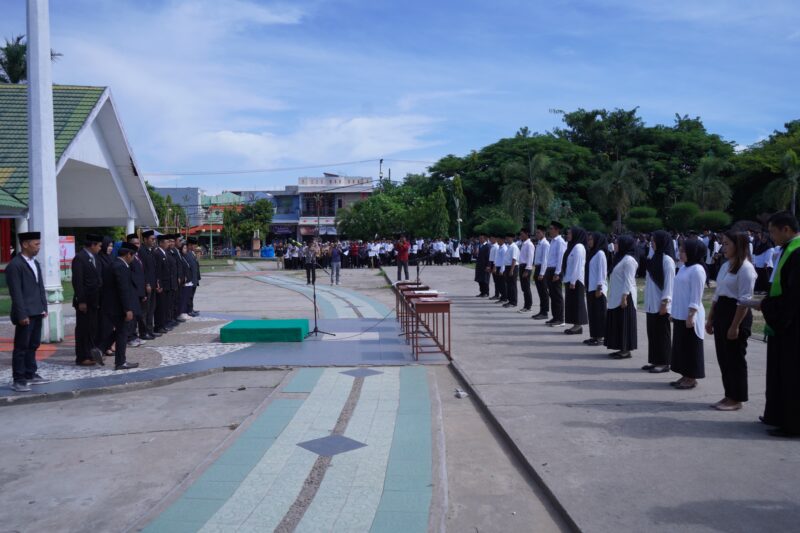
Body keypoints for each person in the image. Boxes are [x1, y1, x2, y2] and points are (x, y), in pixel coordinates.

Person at [757, 212, 800, 437]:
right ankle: (776, 413)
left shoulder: (797, 251)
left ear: (786, 229)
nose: (771, 236)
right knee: (778, 371)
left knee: (791, 374)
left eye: (773, 231)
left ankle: (792, 423)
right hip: (782, 320)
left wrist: (768, 306)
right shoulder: (787, 250)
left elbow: (794, 294)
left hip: (791, 324)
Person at [706, 231, 757, 411]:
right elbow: (718, 293)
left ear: (738, 245)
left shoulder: (746, 268)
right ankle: (728, 395)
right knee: (724, 358)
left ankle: (737, 398)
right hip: (722, 311)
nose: (723, 247)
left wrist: (734, 326)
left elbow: (744, 300)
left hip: (736, 314)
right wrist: (710, 317)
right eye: (723, 243)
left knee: (735, 358)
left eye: (727, 243)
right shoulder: (726, 266)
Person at [6, 232, 50, 392]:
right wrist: (22, 314)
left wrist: (44, 307)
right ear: (25, 244)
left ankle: (30, 373)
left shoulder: (35, 263)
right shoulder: (15, 265)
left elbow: (40, 287)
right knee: (21, 347)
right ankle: (18, 378)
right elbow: (16, 293)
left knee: (33, 344)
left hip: (37, 310)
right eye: (36, 244)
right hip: (25, 313)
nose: (39, 247)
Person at [670, 238, 708, 389]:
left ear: (693, 252)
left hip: (690, 315)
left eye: (683, 250)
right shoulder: (684, 267)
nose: (680, 253)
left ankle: (692, 377)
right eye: (680, 250)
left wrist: (691, 315)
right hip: (680, 313)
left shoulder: (698, 270)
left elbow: (696, 296)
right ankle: (684, 374)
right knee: (682, 346)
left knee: (691, 346)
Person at [102, 243, 140, 370]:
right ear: (128, 254)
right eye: (133, 256)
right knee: (122, 333)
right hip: (118, 308)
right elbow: (123, 290)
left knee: (119, 331)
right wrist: (127, 309)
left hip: (112, 306)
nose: (133, 259)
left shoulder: (114, 264)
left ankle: (99, 347)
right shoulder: (121, 267)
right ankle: (120, 362)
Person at [643, 230, 676, 374]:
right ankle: (655, 360)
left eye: (654, 240)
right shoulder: (654, 257)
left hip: (661, 304)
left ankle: (664, 362)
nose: (652, 243)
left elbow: (669, 284)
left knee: (662, 334)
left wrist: (665, 303)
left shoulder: (667, 260)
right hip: (651, 302)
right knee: (653, 333)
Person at [71, 233, 104, 366]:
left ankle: (91, 354)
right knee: (83, 329)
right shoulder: (80, 258)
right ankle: (82, 356)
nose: (100, 248)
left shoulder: (95, 257)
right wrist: (82, 300)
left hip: (95, 300)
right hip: (85, 301)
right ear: (92, 245)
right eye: (99, 246)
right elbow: (78, 281)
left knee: (92, 328)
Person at [605, 235, 638, 359]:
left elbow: (628, 280)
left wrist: (624, 296)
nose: (615, 245)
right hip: (617, 295)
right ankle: (620, 347)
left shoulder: (629, 260)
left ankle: (625, 350)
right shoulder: (620, 258)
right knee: (617, 322)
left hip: (625, 296)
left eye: (617, 243)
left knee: (624, 323)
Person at [585, 232, 609, 346]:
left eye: (591, 240)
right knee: (593, 314)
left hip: (598, 289)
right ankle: (594, 335)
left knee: (599, 314)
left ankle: (601, 337)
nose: (589, 242)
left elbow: (602, 273)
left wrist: (599, 288)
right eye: (588, 240)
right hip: (591, 288)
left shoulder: (600, 254)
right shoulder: (592, 253)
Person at [562, 227, 588, 335]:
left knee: (577, 304)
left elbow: (578, 266)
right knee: (572, 304)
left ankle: (578, 326)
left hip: (576, 281)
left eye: (570, 233)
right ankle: (575, 325)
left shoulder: (579, 247)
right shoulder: (572, 246)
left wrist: (573, 281)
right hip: (570, 279)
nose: (567, 235)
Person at [125, 234, 148, 348]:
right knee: (132, 317)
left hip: (139, 291)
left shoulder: (137, 256)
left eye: (138, 243)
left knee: (137, 316)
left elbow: (141, 275)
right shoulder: (129, 258)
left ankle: (134, 335)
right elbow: (133, 277)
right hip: (133, 292)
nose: (137, 245)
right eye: (134, 244)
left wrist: (143, 292)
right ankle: (130, 337)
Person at [544, 221, 567, 327]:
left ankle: (560, 319)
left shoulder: (560, 241)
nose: (550, 230)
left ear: (557, 230)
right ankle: (555, 317)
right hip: (550, 269)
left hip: (556, 270)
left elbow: (560, 259)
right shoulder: (553, 241)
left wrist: (557, 273)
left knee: (557, 295)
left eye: (551, 228)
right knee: (552, 295)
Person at [139, 230, 158, 337]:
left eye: (154, 239)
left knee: (151, 308)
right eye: (152, 239)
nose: (153, 241)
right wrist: (147, 284)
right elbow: (143, 270)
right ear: (145, 239)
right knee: (145, 310)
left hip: (153, 284)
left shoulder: (151, 251)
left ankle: (150, 330)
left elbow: (153, 269)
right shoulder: (141, 251)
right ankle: (143, 332)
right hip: (147, 286)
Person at [532, 225, 551, 320]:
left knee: (544, 292)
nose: (537, 234)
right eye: (536, 232)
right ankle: (541, 310)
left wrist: (542, 273)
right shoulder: (539, 243)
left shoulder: (545, 244)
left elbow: (545, 260)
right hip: (537, 268)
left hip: (542, 269)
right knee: (540, 291)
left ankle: (545, 312)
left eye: (538, 232)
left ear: (543, 233)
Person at [517, 228, 535, 312]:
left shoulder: (529, 244)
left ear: (527, 234)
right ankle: (526, 305)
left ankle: (528, 306)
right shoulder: (524, 243)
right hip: (522, 266)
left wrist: (527, 270)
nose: (520, 236)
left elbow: (530, 258)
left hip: (526, 267)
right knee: (524, 288)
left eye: (522, 234)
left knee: (526, 287)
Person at [185, 237, 201, 316]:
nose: (195, 248)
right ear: (190, 245)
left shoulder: (192, 253)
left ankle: (191, 309)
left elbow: (196, 266)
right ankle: (188, 310)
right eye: (194, 246)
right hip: (190, 279)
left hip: (194, 278)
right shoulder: (187, 254)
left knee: (192, 295)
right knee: (189, 296)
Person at [503, 233, 519, 308]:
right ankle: (510, 301)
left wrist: (512, 270)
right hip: (507, 267)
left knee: (512, 285)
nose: (507, 239)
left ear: (512, 238)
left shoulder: (514, 247)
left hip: (512, 267)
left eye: (508, 238)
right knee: (509, 285)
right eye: (507, 238)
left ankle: (514, 302)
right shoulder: (509, 246)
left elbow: (514, 259)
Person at [488, 235, 501, 300]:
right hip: (492, 263)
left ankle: (497, 294)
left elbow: (496, 258)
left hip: (495, 264)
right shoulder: (492, 246)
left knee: (497, 280)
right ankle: (496, 294)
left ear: (495, 239)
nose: (491, 240)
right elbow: (491, 258)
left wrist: (494, 267)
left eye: (492, 238)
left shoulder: (496, 247)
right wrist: (490, 266)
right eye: (490, 238)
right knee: (495, 281)